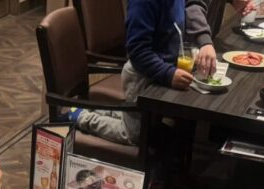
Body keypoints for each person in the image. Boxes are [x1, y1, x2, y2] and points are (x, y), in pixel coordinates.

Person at [69, 0, 253, 145]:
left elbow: (190, 9)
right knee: (134, 134)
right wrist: (168, 74)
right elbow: (138, 51)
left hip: (161, 71)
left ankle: (101, 110)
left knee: (145, 120)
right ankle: (81, 117)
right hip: (142, 75)